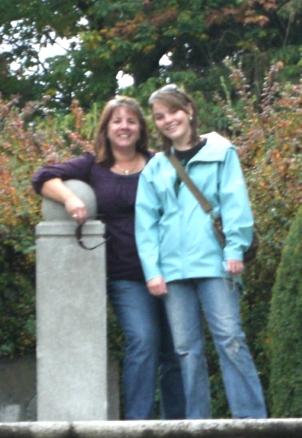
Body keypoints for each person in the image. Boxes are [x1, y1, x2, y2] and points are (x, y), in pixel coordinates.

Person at [31, 95, 185, 420]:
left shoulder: (158, 161)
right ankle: (137, 426)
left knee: (175, 351)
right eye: (117, 121)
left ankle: (178, 426)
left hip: (169, 268)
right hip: (125, 274)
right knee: (142, 342)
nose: (124, 127)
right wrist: (72, 198)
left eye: (131, 121)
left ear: (140, 127)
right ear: (107, 127)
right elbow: (42, 178)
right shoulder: (92, 165)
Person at [135, 84, 267, 419]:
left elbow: (236, 203)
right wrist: (152, 271)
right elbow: (146, 224)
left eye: (173, 112)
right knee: (185, 351)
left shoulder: (222, 152)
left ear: (189, 110)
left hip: (216, 263)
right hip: (173, 272)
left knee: (230, 339)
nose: (168, 120)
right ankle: (197, 425)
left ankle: (251, 421)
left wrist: (235, 249)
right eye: (160, 116)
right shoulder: (155, 167)